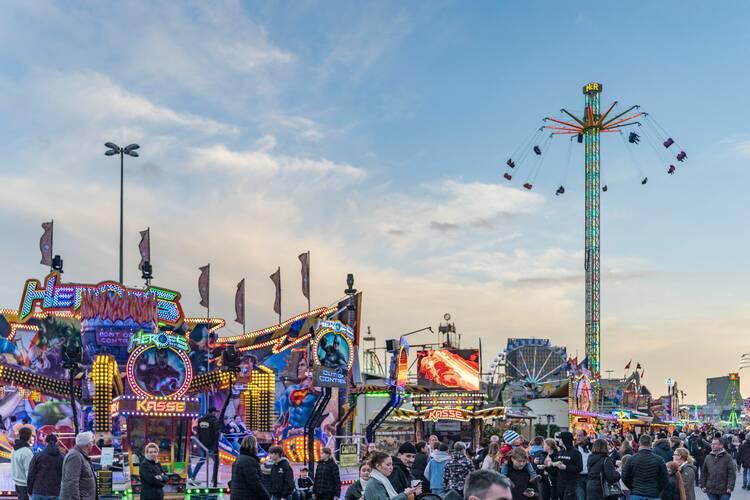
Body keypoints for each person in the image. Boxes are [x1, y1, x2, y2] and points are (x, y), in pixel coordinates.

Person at [622, 434, 668, 500]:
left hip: (636, 493)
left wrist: (633, 487)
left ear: (639, 443)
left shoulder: (631, 459)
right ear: (651, 444)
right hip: (653, 494)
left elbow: (625, 477)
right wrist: (657, 489)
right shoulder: (659, 460)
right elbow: (665, 478)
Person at [229, 435, 270, 500]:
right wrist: (267, 497)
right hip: (247, 496)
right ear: (254, 445)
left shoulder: (239, 459)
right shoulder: (250, 461)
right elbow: (255, 483)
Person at [60, 431, 97, 500]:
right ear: (87, 445)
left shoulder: (80, 456)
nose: (93, 445)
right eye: (92, 443)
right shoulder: (75, 456)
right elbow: (72, 482)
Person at [27, 433, 64, 500]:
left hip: (38, 492)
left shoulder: (38, 456)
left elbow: (31, 474)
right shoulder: (62, 458)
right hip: (56, 493)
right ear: (57, 442)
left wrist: (30, 490)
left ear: (45, 442)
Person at [189, 406, 220, 486]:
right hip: (212, 445)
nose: (216, 413)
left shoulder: (200, 420)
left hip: (202, 444)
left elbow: (198, 431)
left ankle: (193, 477)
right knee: (216, 462)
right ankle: (213, 480)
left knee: (201, 461)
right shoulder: (214, 421)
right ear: (213, 412)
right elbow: (215, 433)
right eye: (215, 412)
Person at [554, 432, 582, 500]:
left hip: (571, 484)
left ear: (565, 440)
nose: (559, 440)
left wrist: (566, 467)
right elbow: (555, 464)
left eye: (560, 439)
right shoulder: (560, 452)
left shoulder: (576, 452)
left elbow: (579, 468)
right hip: (560, 483)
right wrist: (552, 464)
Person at [11, 426, 34, 500]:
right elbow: (29, 471)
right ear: (29, 436)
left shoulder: (14, 449)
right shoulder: (27, 452)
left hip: (17, 483)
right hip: (25, 485)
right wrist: (31, 488)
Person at [574, 430, 591, 500]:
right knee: (580, 498)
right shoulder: (574, 448)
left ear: (585, 436)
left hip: (590, 476)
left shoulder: (592, 447)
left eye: (580, 436)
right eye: (577, 435)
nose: (578, 438)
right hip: (578, 477)